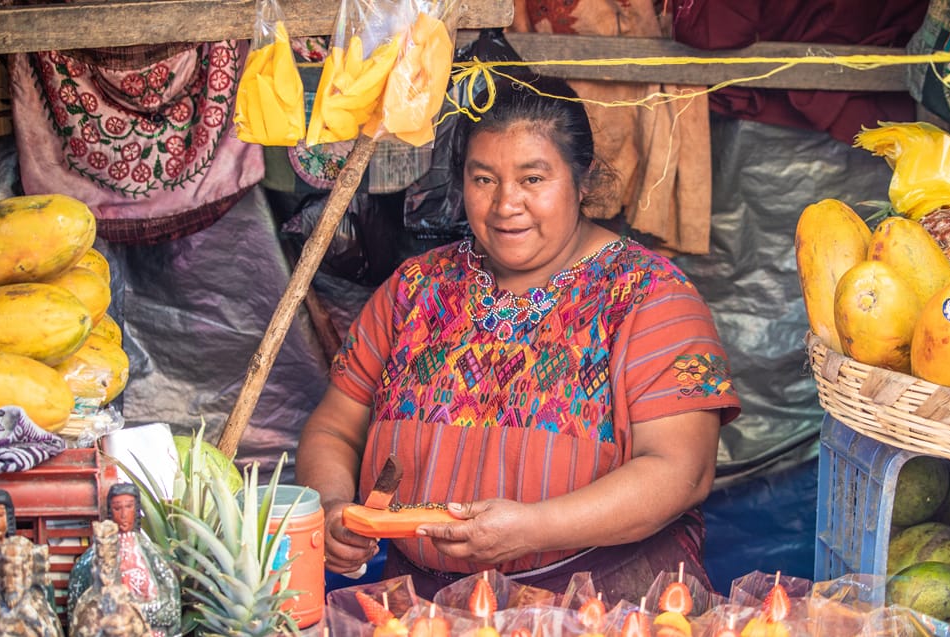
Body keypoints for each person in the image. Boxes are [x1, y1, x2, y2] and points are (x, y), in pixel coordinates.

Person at [295, 76, 741, 603]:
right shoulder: (415, 289)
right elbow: (335, 428)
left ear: (583, 180)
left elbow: (681, 472)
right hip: (418, 607)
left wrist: (533, 528)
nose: (506, 204)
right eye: (484, 179)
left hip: (602, 605)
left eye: (533, 178)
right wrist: (331, 505)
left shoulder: (651, 297)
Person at [68, 483, 180, 637]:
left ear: (136, 509)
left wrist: (136, 615)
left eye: (129, 507)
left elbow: (172, 609)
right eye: (117, 508)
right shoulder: (89, 562)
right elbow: (77, 615)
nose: (123, 514)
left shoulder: (153, 557)